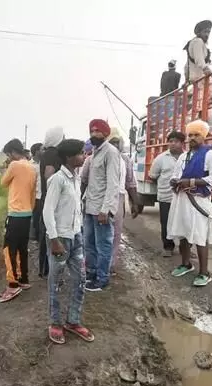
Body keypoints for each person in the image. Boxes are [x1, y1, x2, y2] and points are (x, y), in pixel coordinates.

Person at [42, 138, 93, 345]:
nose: (84, 156)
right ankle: (55, 323)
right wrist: (54, 240)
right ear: (69, 157)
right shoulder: (58, 180)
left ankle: (73, 321)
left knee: (80, 279)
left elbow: (75, 209)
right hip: (60, 238)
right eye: (81, 153)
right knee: (56, 283)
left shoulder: (76, 178)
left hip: (76, 236)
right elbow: (47, 211)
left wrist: (79, 230)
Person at [167, 120, 212, 287]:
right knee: (183, 233)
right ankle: (186, 264)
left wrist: (191, 182)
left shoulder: (211, 155)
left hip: (199, 201)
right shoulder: (184, 156)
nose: (192, 138)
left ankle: (204, 273)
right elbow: (175, 174)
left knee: (199, 236)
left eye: (196, 135)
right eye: (190, 135)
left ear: (203, 137)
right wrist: (175, 182)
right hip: (181, 201)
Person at [82, 119, 121, 292]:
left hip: (101, 209)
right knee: (88, 243)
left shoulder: (111, 152)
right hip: (90, 206)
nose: (94, 134)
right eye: (92, 131)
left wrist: (106, 209)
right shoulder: (94, 154)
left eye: (98, 131)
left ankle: (102, 279)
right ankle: (91, 274)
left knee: (103, 244)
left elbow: (113, 184)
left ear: (106, 134)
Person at [0, 138, 36, 303]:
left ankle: (13, 285)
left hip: (15, 214)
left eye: (8, 154)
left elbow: (3, 182)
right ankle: (24, 279)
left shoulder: (14, 165)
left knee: (9, 249)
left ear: (12, 152)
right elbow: (33, 193)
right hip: (27, 213)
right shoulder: (31, 166)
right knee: (22, 248)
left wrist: (8, 165)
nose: (8, 157)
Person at [108, 130, 139, 276]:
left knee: (116, 233)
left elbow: (130, 182)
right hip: (99, 199)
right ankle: (97, 264)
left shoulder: (125, 160)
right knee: (101, 234)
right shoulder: (95, 157)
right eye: (111, 142)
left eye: (117, 142)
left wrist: (135, 202)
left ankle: (111, 264)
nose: (114, 145)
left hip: (118, 199)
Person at [149, 131, 186, 257]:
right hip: (166, 197)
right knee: (166, 223)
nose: (172, 144)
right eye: (170, 141)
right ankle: (168, 247)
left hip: (184, 198)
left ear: (182, 143)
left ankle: (185, 248)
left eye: (176, 141)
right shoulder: (161, 158)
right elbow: (153, 176)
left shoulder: (188, 157)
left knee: (185, 223)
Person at [37, 127, 65, 278]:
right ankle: (49, 270)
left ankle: (44, 269)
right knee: (52, 233)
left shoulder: (45, 153)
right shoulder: (53, 154)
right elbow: (49, 174)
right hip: (51, 200)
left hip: (45, 198)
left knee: (45, 234)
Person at [30, 142, 44, 241]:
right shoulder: (29, 165)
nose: (44, 151)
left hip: (42, 194)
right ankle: (34, 235)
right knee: (35, 216)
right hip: (33, 194)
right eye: (42, 149)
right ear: (36, 151)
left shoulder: (44, 163)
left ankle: (39, 236)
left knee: (41, 216)